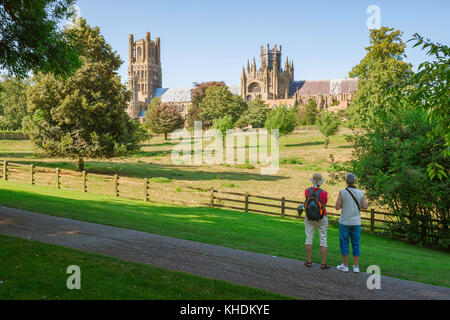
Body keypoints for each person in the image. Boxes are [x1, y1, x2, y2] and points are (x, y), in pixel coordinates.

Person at [334, 173, 369, 273]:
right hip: (356, 222)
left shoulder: (342, 192)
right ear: (354, 181)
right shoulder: (360, 192)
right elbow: (365, 207)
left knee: (344, 243)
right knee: (356, 244)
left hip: (344, 222)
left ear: (346, 181)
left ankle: (345, 265)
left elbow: (337, 207)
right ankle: (356, 266)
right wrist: (363, 197)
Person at [303, 173, 330, 269]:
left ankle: (309, 261)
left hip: (309, 217)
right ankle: (323, 263)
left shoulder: (307, 191)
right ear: (321, 182)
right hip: (322, 217)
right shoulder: (324, 193)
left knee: (309, 238)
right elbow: (324, 203)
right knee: (323, 239)